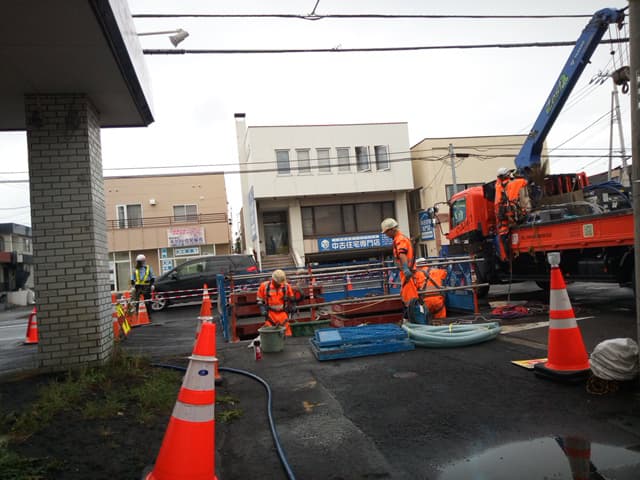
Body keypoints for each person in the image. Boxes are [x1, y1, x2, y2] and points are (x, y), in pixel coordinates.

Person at [381, 218, 427, 323]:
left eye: (386, 232)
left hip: (407, 273)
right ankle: (410, 320)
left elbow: (402, 254)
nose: (386, 235)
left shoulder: (399, 239)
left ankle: (416, 322)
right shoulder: (401, 238)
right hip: (408, 273)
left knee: (410, 299)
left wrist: (406, 269)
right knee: (408, 298)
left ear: (392, 230)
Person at [256, 269, 297, 336]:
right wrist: (262, 308)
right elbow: (259, 299)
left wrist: (293, 305)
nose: (280, 284)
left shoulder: (286, 286)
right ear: (273, 280)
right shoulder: (264, 286)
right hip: (270, 315)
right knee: (271, 335)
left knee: (287, 335)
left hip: (283, 314)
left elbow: (292, 298)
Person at [131, 254, 155, 319]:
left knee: (147, 301)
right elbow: (133, 278)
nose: (138, 263)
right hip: (138, 287)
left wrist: (152, 284)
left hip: (146, 286)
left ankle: (148, 315)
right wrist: (133, 286)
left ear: (143, 261)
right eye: (138, 261)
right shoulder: (135, 269)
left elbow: (152, 277)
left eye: (140, 261)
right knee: (137, 301)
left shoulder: (148, 268)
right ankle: (137, 315)